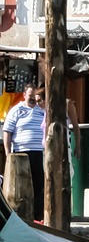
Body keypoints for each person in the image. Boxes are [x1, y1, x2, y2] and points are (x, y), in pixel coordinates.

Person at [3, 86, 45, 217]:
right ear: (25, 95)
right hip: (22, 153)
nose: (33, 99)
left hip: (40, 152)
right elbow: (7, 132)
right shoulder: (16, 110)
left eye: (35, 97)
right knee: (22, 185)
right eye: (30, 96)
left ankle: (38, 215)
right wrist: (8, 153)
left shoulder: (42, 110)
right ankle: (20, 214)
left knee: (39, 184)